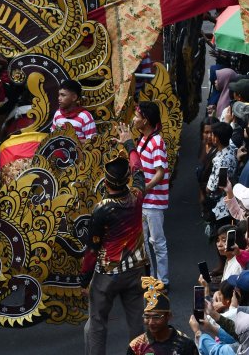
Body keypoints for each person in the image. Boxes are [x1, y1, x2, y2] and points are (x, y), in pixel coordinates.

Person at [81, 125, 147, 355]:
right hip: (136, 271)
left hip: (107, 273)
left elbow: (92, 250)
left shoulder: (101, 210)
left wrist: (84, 279)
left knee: (97, 323)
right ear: (127, 180)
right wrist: (129, 143)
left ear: (106, 183)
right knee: (138, 322)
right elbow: (139, 169)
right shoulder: (137, 196)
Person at [134, 102, 169, 290]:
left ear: (145, 120)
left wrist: (145, 188)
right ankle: (152, 278)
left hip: (154, 202)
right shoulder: (143, 139)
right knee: (146, 243)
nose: (134, 119)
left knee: (157, 243)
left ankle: (163, 280)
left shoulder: (156, 141)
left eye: (137, 116)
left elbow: (160, 172)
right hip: (145, 200)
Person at [128, 277, 197, 354]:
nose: (151, 322)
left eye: (156, 317)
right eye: (147, 316)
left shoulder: (185, 344)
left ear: (169, 316)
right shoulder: (136, 347)